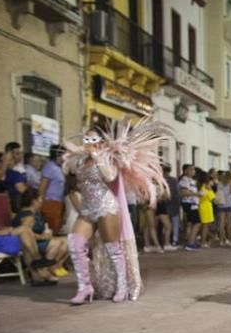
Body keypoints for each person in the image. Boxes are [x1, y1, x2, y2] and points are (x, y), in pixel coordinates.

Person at [63, 122, 168, 304]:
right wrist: (77, 155)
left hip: (106, 207)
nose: (89, 142)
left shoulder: (107, 159)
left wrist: (97, 156)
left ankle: (122, 286)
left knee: (113, 248)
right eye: (86, 138)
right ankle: (85, 287)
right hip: (87, 208)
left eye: (93, 139)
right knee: (75, 244)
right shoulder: (80, 160)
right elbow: (68, 170)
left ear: (102, 141)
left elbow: (110, 176)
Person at [13, 191, 69, 275]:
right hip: (32, 243)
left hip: (40, 240)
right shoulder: (28, 216)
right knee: (56, 244)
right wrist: (43, 236)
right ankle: (43, 268)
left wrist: (47, 233)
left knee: (69, 241)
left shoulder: (36, 213)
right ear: (33, 201)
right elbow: (26, 234)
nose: (41, 201)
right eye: (40, 199)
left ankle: (55, 266)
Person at [39, 145, 66, 232]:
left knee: (57, 227)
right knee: (52, 228)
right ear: (58, 155)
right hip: (50, 203)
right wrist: (40, 203)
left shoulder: (59, 168)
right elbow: (43, 186)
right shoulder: (50, 167)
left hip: (58, 203)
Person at [178, 164, 200, 251]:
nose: (193, 171)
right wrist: (197, 194)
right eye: (191, 170)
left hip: (194, 203)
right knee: (197, 222)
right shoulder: (184, 181)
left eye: (194, 170)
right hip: (189, 203)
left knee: (191, 223)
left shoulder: (192, 181)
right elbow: (183, 193)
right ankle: (190, 243)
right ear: (185, 171)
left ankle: (191, 241)